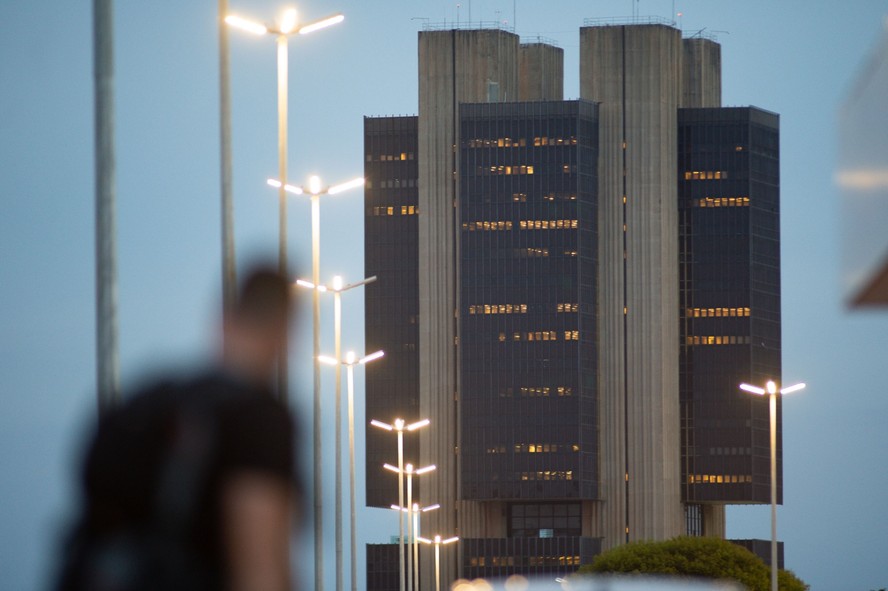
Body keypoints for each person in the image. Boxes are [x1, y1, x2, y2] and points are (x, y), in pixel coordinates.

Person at [56, 266, 301, 591]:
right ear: (283, 331)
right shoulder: (258, 419)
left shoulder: (144, 402)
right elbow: (259, 569)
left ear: (223, 322)